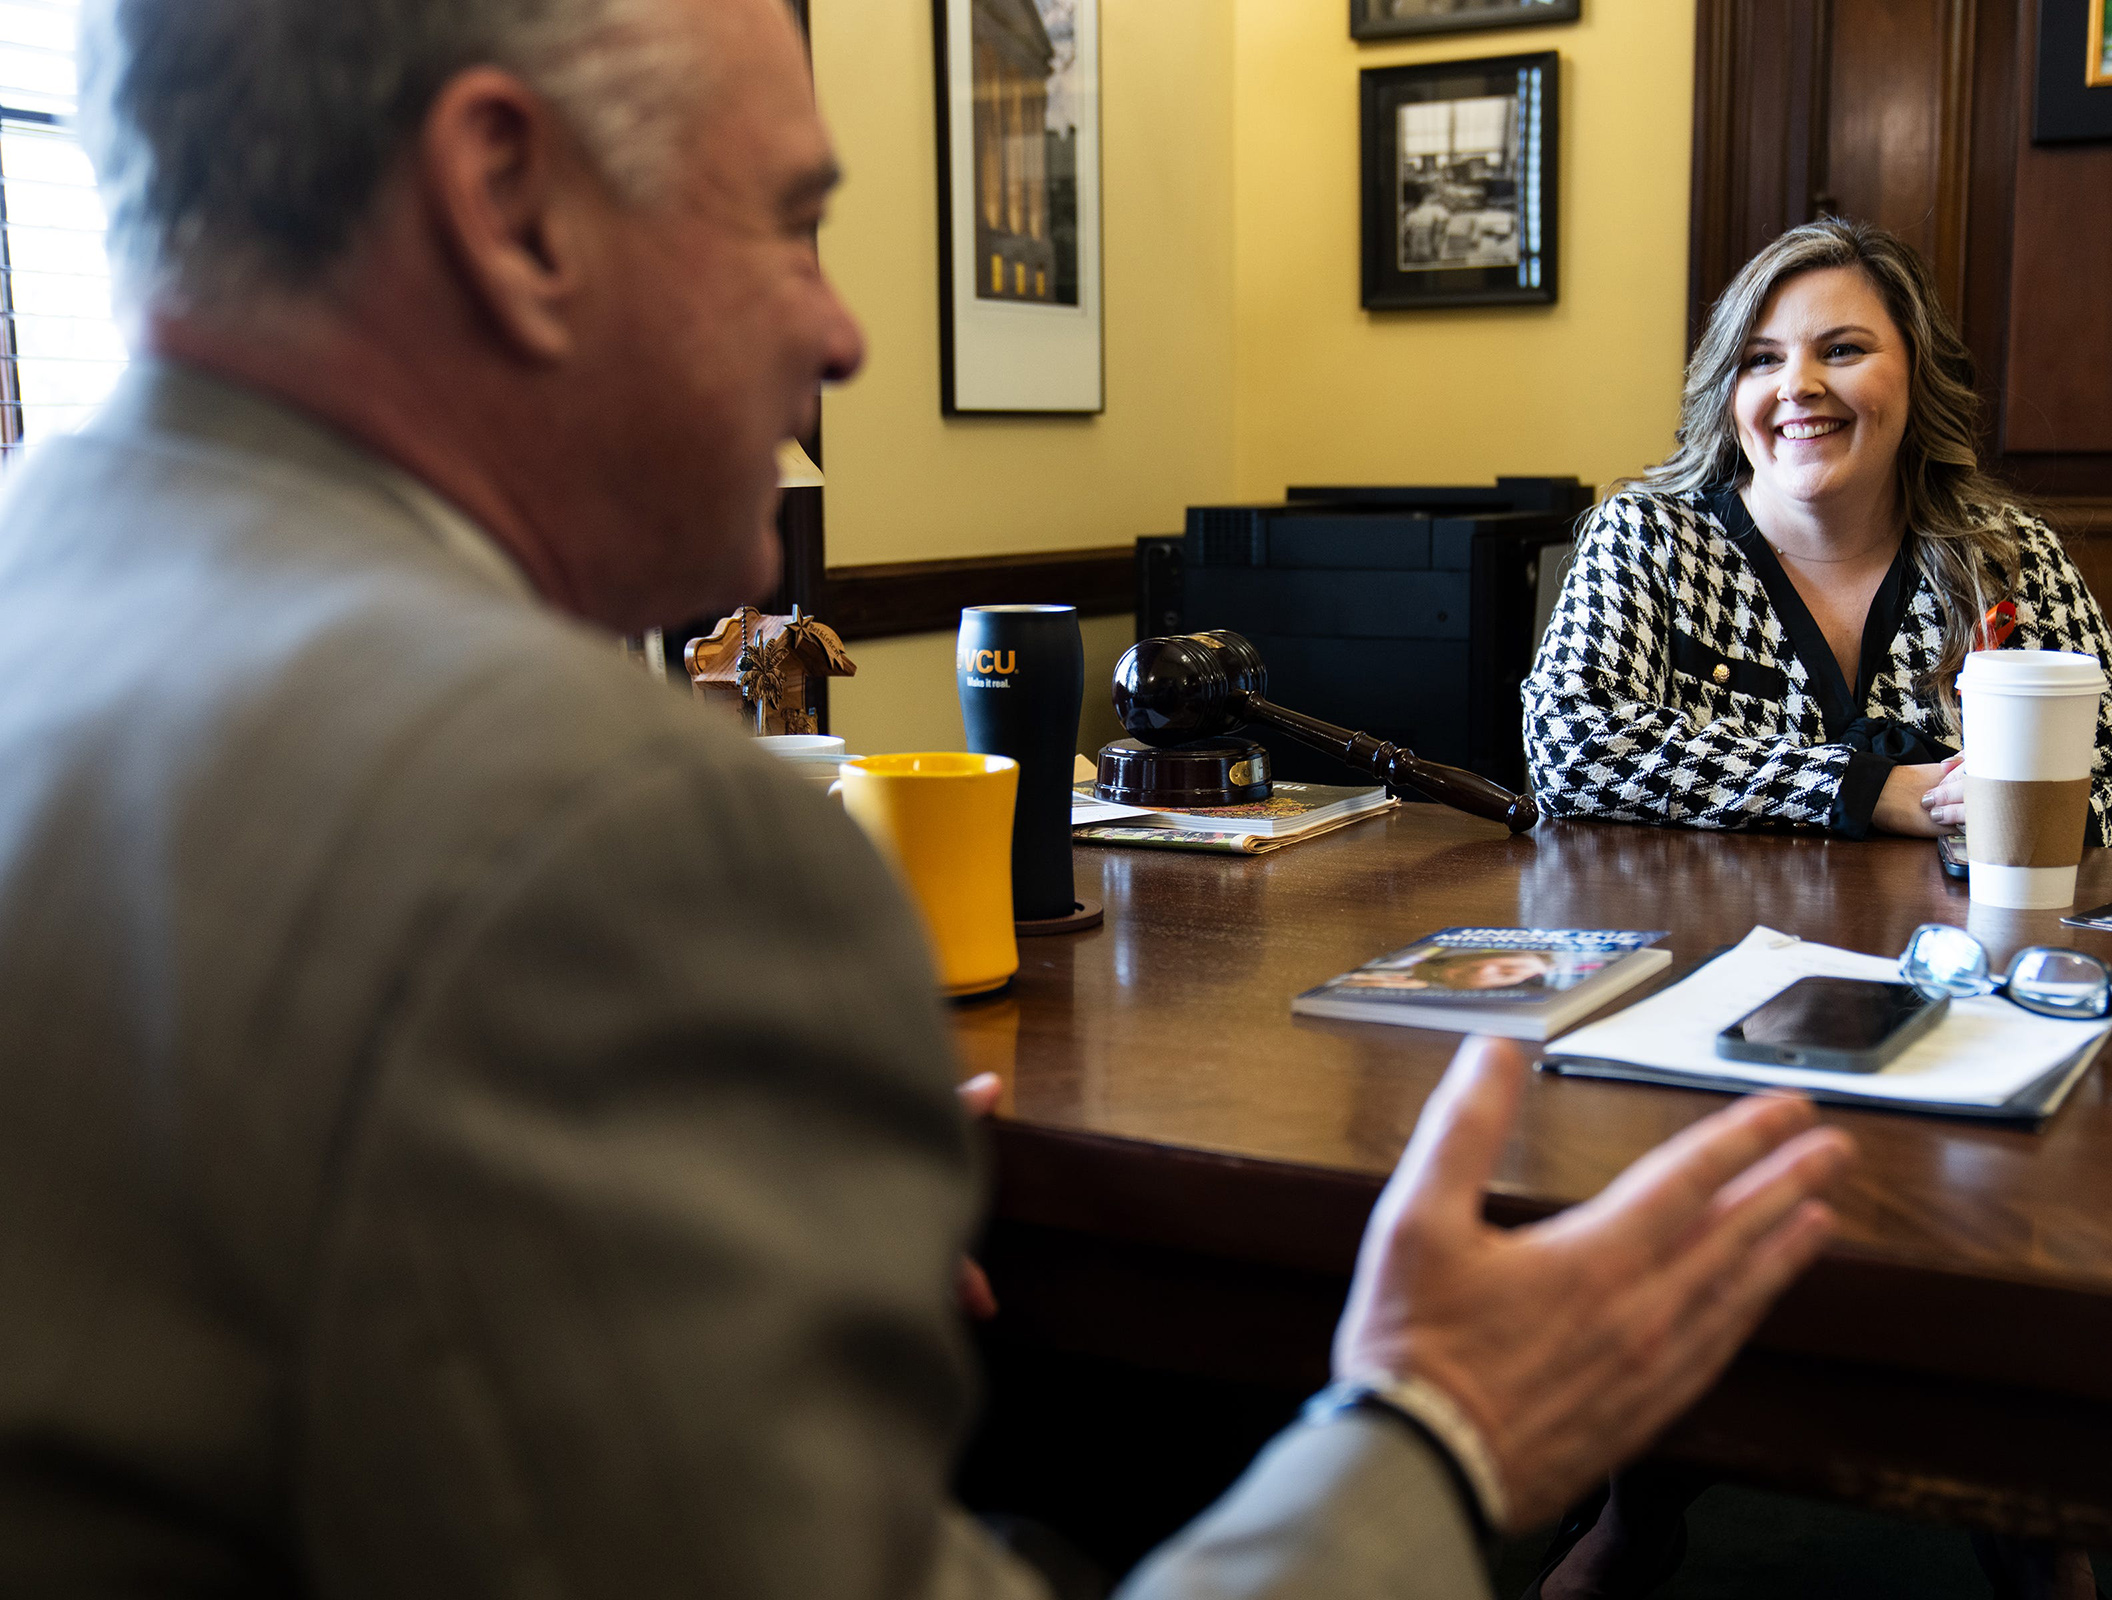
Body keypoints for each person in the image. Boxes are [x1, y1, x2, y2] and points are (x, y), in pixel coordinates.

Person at [0, 1, 1855, 1594]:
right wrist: (1445, 1431)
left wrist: (691, 1225)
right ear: (509, 207)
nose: (842, 334)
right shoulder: (579, 830)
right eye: (793, 221)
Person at [1522, 218, 2112, 849]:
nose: (1796, 386)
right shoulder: (1649, 536)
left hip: (1947, 951)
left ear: (1919, 373)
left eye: (1842, 350)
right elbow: (1569, 746)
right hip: (1710, 948)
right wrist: (1867, 789)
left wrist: (2020, 812)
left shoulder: (2007, 558)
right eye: (1761, 359)